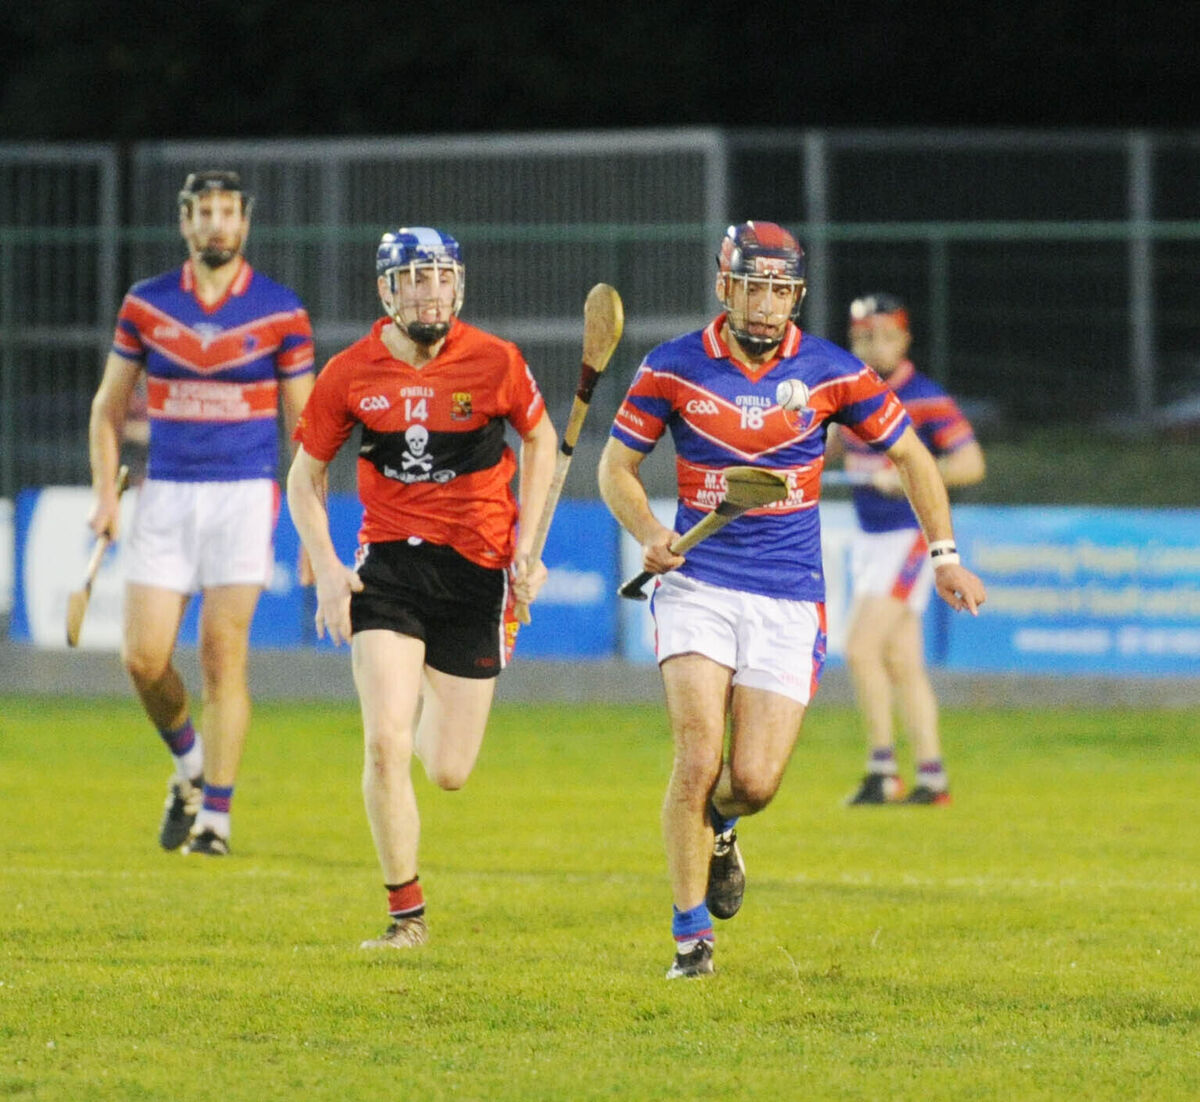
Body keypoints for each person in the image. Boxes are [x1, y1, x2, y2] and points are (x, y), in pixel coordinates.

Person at [597, 221, 986, 979]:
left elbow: (911, 454)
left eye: (782, 290)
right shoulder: (673, 367)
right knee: (698, 756)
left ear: (797, 295)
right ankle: (690, 940)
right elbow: (618, 467)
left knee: (753, 783)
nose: (768, 305)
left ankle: (722, 829)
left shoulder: (831, 370)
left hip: (788, 595)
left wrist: (944, 555)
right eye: (754, 286)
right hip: (696, 586)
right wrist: (647, 528)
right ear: (725, 286)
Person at [286, 227, 557, 950]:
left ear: (458, 286)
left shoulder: (497, 361)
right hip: (391, 567)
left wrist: (529, 548)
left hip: (476, 572)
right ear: (388, 291)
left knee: (447, 771)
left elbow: (542, 441)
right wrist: (328, 573)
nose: (431, 291)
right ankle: (407, 916)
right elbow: (303, 478)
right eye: (415, 278)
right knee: (383, 742)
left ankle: (431, 689)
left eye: (441, 277)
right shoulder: (350, 372)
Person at [87, 170, 315, 857]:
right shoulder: (147, 305)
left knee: (224, 659)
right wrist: (104, 494)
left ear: (245, 222)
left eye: (228, 212)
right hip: (166, 495)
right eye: (204, 212)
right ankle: (189, 764)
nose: (217, 224)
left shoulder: (279, 311)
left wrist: (313, 528)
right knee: (142, 657)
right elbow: (107, 409)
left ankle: (215, 818)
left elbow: (307, 432)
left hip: (245, 497)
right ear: (185, 221)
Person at [836, 293, 986, 807]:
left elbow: (969, 464)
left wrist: (905, 478)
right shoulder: (850, 395)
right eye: (860, 337)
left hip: (909, 540)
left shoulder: (924, 397)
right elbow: (830, 444)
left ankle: (882, 772)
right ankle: (932, 777)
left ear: (904, 339)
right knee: (902, 662)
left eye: (882, 335)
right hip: (870, 540)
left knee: (860, 649)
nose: (871, 346)